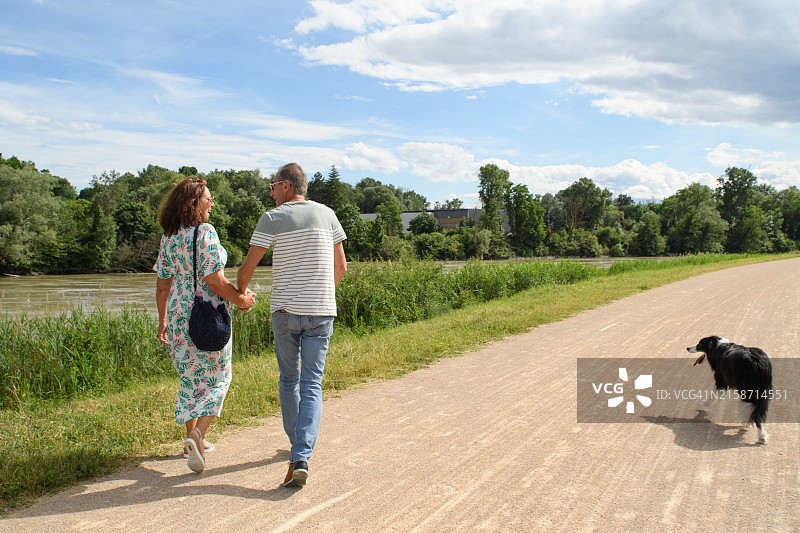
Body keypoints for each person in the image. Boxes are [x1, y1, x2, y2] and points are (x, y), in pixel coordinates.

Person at [237, 163, 347, 487]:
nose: (271, 193)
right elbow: (341, 267)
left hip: (285, 313)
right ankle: (301, 453)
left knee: (289, 380)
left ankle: (298, 450)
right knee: (312, 383)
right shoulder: (328, 214)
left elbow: (247, 268)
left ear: (286, 185)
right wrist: (320, 296)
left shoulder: (273, 218)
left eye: (273, 186)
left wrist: (241, 294)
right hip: (321, 312)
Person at [154, 177, 256, 474]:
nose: (212, 203)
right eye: (208, 198)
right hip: (206, 314)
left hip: (178, 315)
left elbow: (162, 286)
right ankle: (198, 435)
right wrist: (241, 300)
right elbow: (215, 280)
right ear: (193, 203)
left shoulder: (169, 236)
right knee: (219, 377)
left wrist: (162, 320)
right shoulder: (206, 232)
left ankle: (190, 439)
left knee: (189, 378)